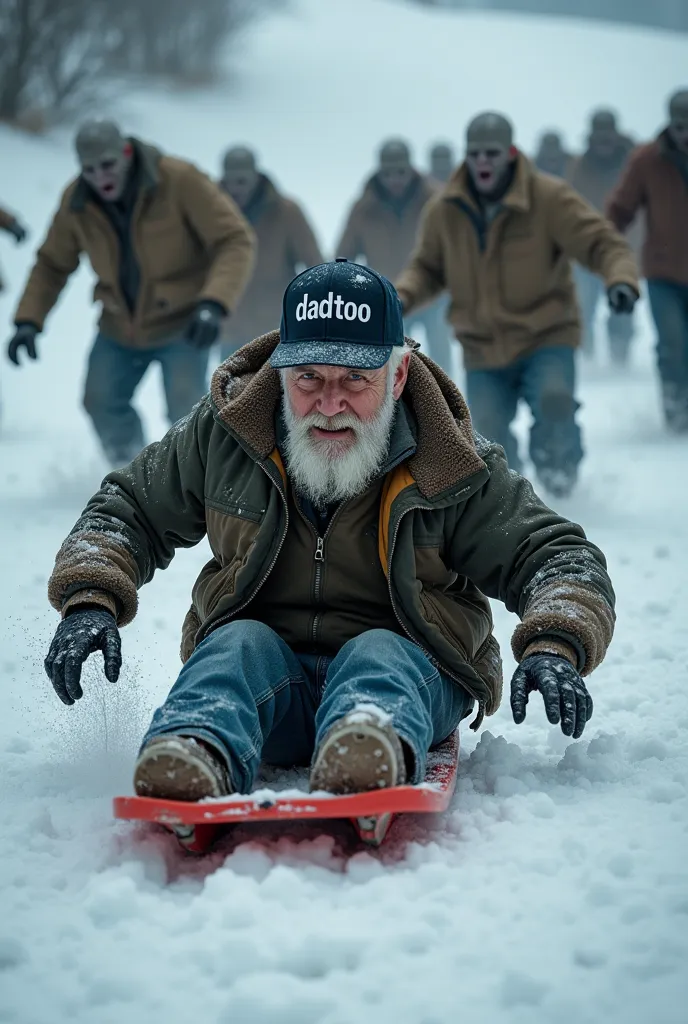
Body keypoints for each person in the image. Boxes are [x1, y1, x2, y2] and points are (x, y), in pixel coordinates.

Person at [43, 259, 615, 803]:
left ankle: (367, 747)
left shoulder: (453, 460)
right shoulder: (225, 433)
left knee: (380, 654)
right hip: (270, 685)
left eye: (355, 379)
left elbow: (556, 555)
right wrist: (90, 596)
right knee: (235, 647)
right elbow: (129, 509)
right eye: (309, 377)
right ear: (281, 370)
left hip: (409, 671)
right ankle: (192, 748)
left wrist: (555, 642)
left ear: (398, 376)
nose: (329, 402)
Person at [395, 111, 639, 498]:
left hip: (547, 334)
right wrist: (399, 298)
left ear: (510, 152)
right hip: (482, 345)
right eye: (474, 154)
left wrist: (620, 279)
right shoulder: (444, 211)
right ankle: (514, 495)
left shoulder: (548, 198)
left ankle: (560, 472)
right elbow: (426, 268)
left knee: (554, 402)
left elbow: (600, 242)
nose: (482, 162)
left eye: (491, 153)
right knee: (486, 433)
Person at [6, 119, 255, 466]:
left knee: (187, 410)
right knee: (101, 401)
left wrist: (213, 303)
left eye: (107, 165)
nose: (99, 177)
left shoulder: (178, 181)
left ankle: (193, 483)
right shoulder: (77, 202)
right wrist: (28, 321)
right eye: (89, 169)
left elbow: (234, 239)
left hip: (183, 323)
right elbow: (52, 263)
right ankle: (132, 470)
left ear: (125, 153)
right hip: (118, 326)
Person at [336, 139, 454, 376]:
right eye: (388, 173)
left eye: (401, 172)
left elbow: (454, 245)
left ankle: (445, 406)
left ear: (412, 169)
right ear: (379, 173)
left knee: (441, 362)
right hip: (389, 301)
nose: (395, 179)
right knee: (391, 362)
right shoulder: (364, 208)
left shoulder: (436, 201)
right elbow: (343, 256)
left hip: (433, 295)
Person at [607, 90, 688, 432]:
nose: (687, 134)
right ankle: (677, 408)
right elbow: (621, 208)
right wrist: (604, 244)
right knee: (672, 344)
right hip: (663, 272)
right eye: (681, 126)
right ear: (670, 124)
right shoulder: (647, 160)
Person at [218, 146, 324, 360]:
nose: (236, 189)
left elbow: (315, 266)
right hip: (230, 328)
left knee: (279, 391)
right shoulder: (211, 214)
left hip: (275, 329)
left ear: (256, 177)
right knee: (232, 392)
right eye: (230, 182)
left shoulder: (287, 212)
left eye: (242, 181)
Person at [568, 110, 638, 364]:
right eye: (599, 133)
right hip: (587, 249)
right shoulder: (579, 167)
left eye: (608, 133)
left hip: (623, 249)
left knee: (622, 307)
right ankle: (589, 361)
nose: (604, 139)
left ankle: (620, 359)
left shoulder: (634, 162)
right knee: (584, 307)